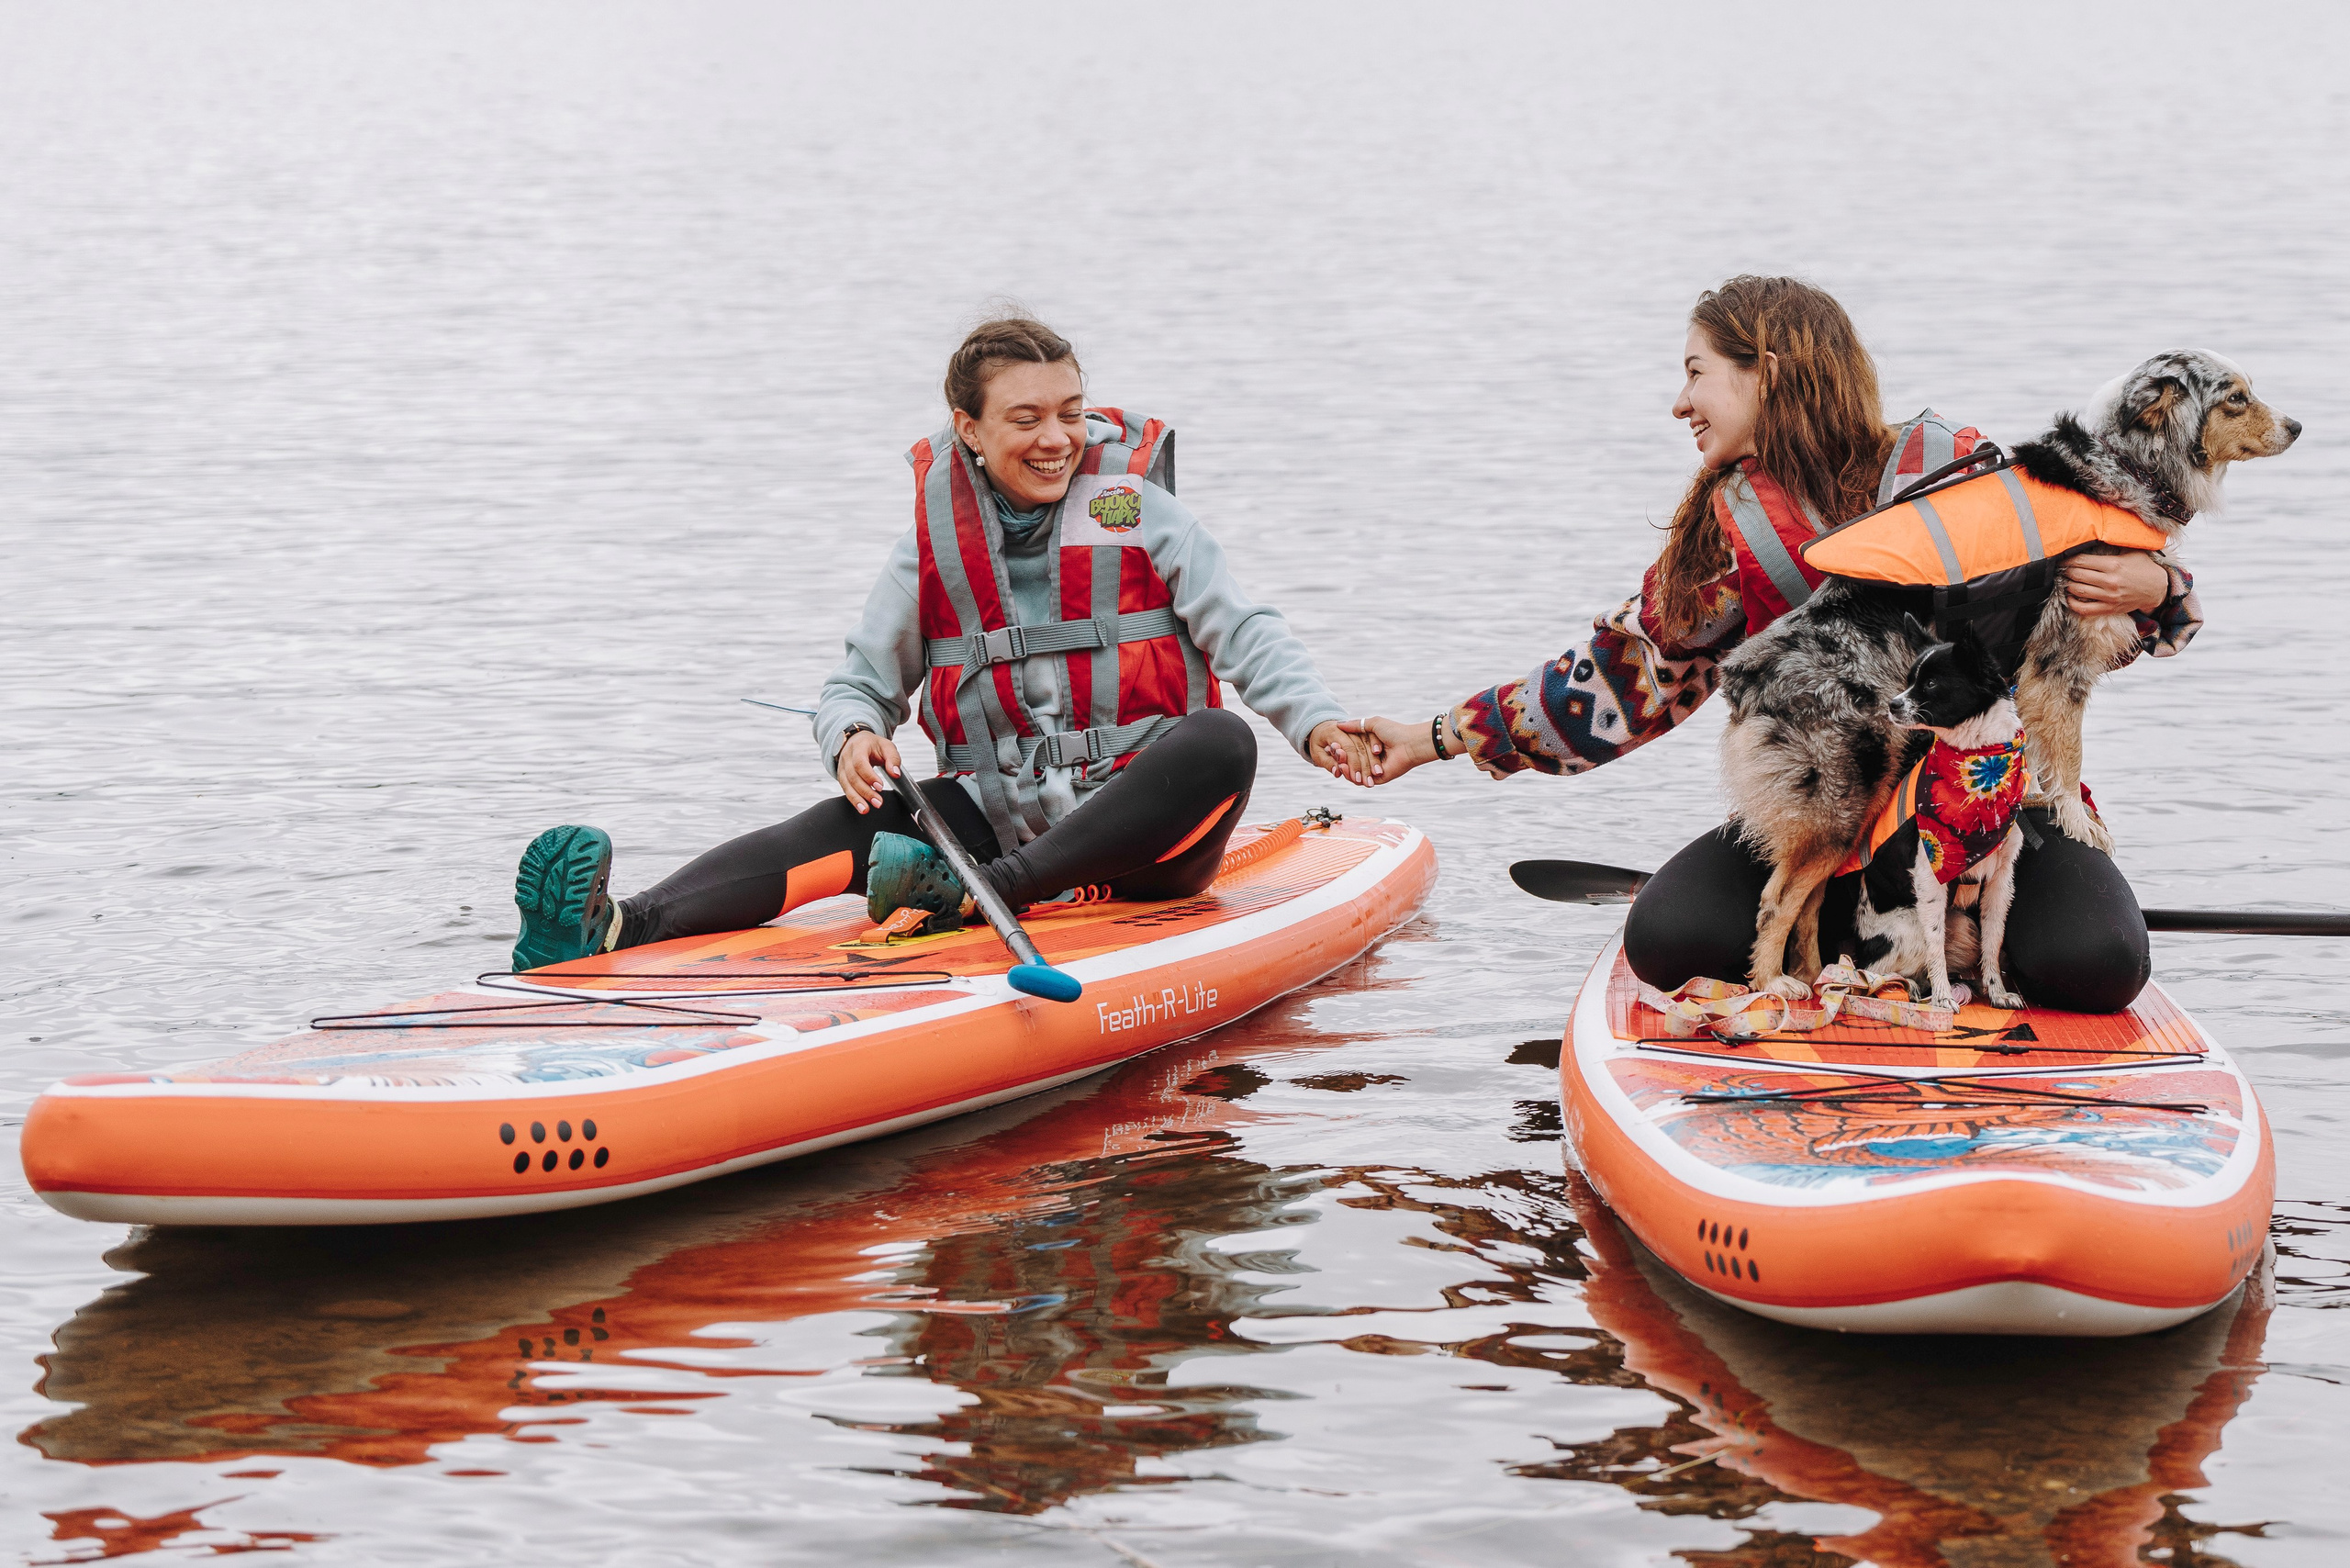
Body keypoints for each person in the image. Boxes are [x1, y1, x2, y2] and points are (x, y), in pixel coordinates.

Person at [1348, 276, 2200, 1013]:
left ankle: (1958, 940)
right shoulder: (1730, 534)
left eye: (1696, 373)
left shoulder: (1954, 471)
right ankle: (1854, 940)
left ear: (1770, 373)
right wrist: (1434, 738)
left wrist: (2159, 590)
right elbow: (1625, 681)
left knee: (2099, 962)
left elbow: (2078, 617)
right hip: (1828, 806)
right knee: (1669, 941)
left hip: (1985, 808)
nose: (1679, 403)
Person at [509, 314, 1374, 969]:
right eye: (1027, 418)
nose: (1057, 440)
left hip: (1147, 842)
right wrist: (852, 738)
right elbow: (857, 686)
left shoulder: (1136, 509)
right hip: (996, 822)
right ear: (969, 429)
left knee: (1221, 740)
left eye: (1070, 414)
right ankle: (615, 927)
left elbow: (1245, 630)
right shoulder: (932, 549)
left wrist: (1316, 723)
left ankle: (984, 892)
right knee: (860, 816)